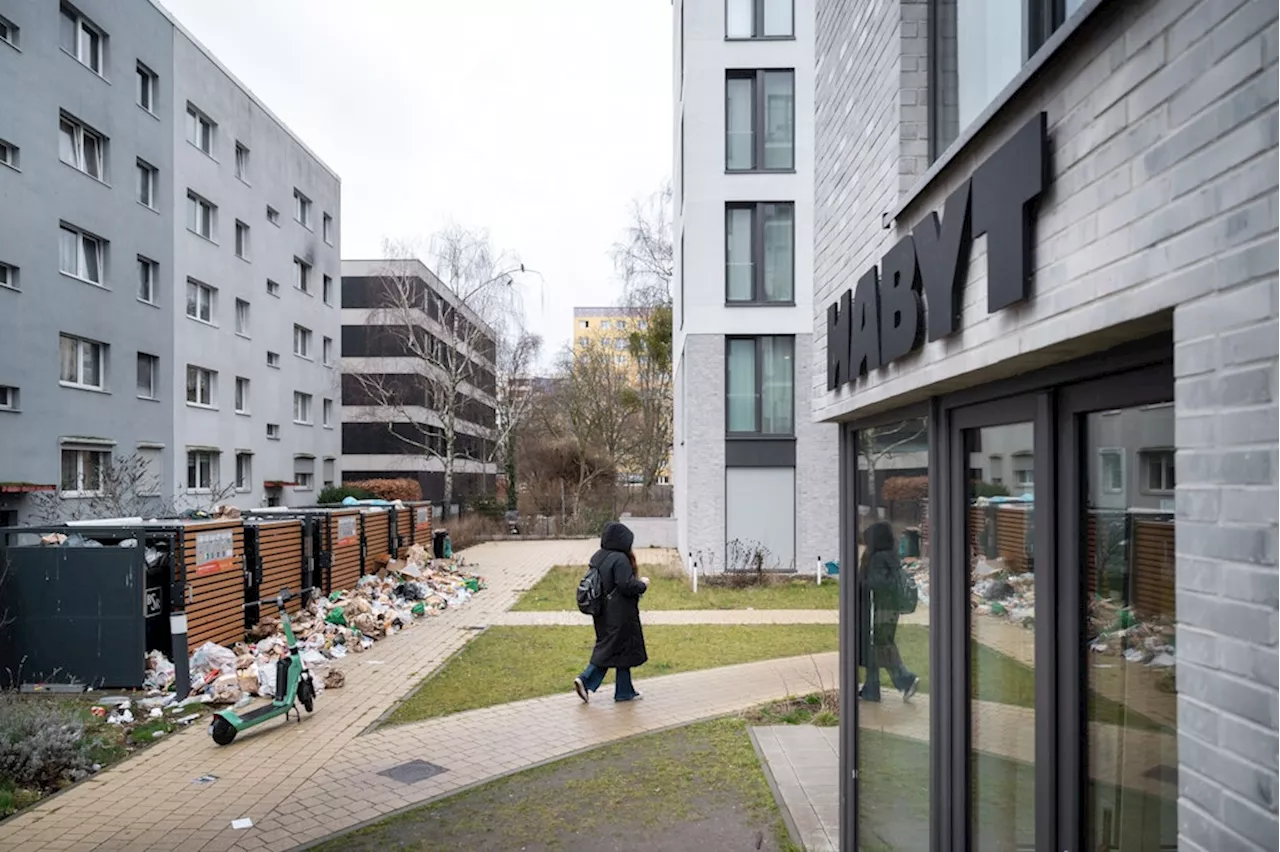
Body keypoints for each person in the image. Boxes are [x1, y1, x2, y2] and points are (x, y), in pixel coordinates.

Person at [573, 521, 649, 703]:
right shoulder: (620, 559)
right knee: (610, 650)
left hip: (603, 613)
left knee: (621, 651)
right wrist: (643, 584)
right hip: (620, 615)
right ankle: (585, 679)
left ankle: (625, 691)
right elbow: (626, 585)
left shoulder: (599, 556)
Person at [858, 521, 919, 703]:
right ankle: (871, 688)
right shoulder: (890, 555)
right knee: (876, 647)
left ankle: (906, 679)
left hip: (880, 609)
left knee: (881, 646)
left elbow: (877, 583)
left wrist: (860, 582)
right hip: (889, 608)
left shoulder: (878, 558)